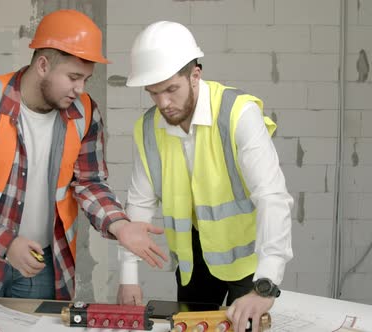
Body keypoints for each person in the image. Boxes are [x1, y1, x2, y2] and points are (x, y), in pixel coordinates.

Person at [0, 9, 167, 302]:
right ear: (43, 65)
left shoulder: (85, 112)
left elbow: (89, 183)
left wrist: (120, 226)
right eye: (73, 77)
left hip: (40, 263)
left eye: (86, 79)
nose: (80, 88)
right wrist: (7, 243)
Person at [117, 21, 293, 332]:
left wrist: (265, 286)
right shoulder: (148, 129)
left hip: (247, 258)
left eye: (171, 89)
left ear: (195, 75)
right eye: (153, 93)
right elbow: (139, 206)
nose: (163, 104)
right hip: (193, 261)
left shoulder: (239, 114)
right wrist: (128, 278)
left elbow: (272, 197)